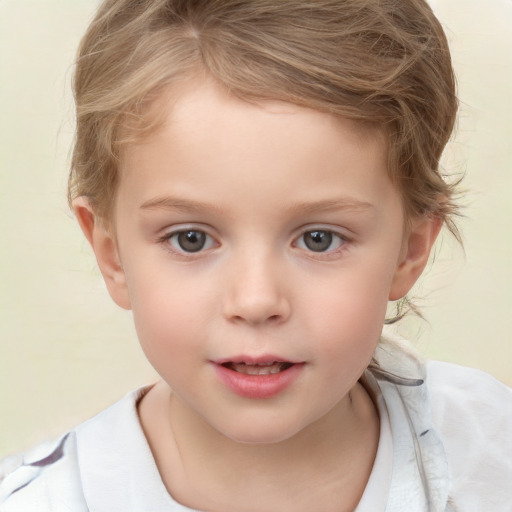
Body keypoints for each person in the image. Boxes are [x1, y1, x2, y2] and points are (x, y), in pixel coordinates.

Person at [0, 0, 511, 510]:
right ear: (111, 254)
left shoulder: (491, 452)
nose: (255, 300)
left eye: (319, 239)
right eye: (191, 239)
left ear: (410, 250)